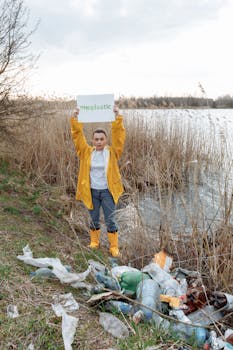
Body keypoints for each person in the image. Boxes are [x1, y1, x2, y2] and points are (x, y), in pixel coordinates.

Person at [70, 105, 126, 257]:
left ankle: (114, 247)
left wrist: (117, 117)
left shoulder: (113, 152)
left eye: (102, 139)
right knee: (94, 218)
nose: (99, 142)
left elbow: (119, 136)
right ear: (92, 140)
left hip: (108, 191)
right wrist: (75, 118)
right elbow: (77, 135)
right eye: (96, 139)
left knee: (110, 219)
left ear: (106, 140)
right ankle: (94, 242)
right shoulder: (86, 152)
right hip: (92, 191)